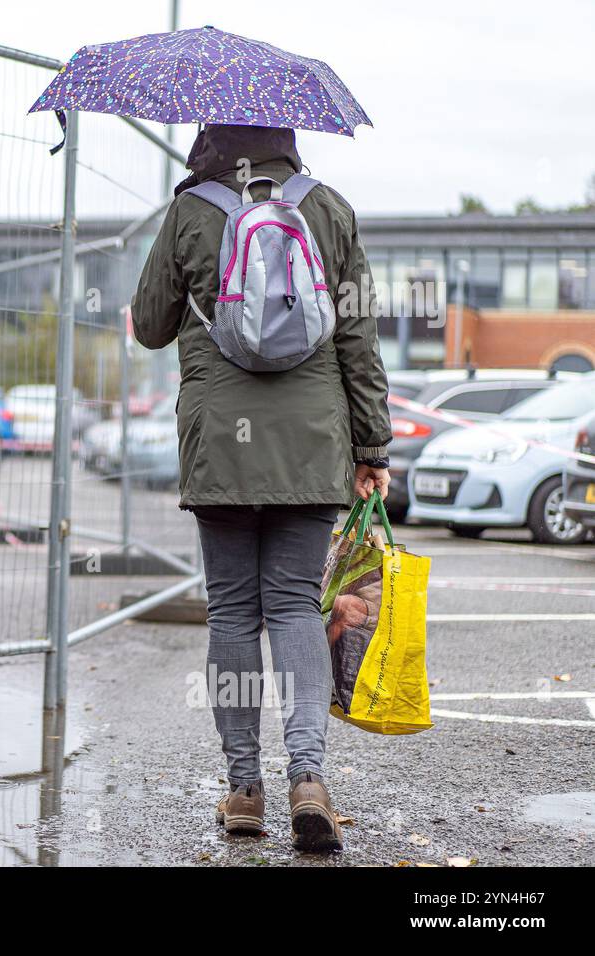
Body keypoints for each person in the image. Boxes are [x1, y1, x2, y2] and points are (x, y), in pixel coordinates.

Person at [131, 123, 391, 853]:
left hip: (222, 444)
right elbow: (358, 336)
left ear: (208, 142)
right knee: (296, 607)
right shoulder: (328, 208)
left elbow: (149, 326)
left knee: (233, 614)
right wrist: (372, 444)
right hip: (310, 441)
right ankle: (308, 776)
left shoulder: (189, 212)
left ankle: (244, 788)